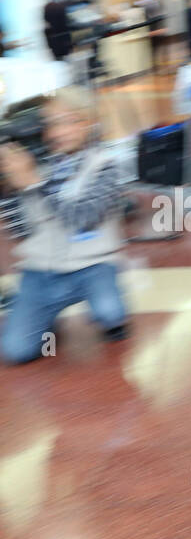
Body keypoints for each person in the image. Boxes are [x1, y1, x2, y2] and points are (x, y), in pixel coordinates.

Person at [0, 85, 130, 364]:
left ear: (88, 122)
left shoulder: (105, 165)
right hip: (42, 272)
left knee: (111, 313)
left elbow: (82, 218)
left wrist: (36, 183)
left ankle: (108, 302)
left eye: (68, 121)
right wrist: (10, 188)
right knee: (16, 351)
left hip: (93, 266)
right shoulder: (32, 164)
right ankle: (45, 316)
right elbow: (22, 231)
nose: (59, 132)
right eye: (50, 124)